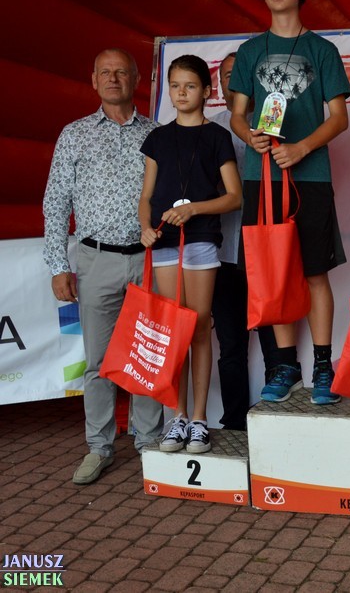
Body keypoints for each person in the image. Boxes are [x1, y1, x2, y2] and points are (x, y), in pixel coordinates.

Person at [229, 0, 350, 404]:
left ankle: (323, 365)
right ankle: (285, 366)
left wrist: (301, 148)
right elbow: (237, 115)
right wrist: (250, 136)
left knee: (314, 272)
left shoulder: (323, 50)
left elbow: (339, 118)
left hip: (310, 177)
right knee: (275, 273)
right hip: (261, 178)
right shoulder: (249, 51)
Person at [42, 49, 165, 484]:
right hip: (95, 260)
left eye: (121, 72)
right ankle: (99, 446)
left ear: (136, 80)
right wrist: (58, 264)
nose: (114, 79)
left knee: (148, 355)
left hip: (149, 259)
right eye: (105, 73)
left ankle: (149, 441)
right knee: (98, 362)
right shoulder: (74, 134)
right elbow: (56, 202)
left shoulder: (157, 134)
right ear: (94, 80)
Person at [139, 55, 240, 453]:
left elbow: (234, 197)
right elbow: (146, 197)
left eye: (190, 86)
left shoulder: (217, 136)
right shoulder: (157, 138)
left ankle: (199, 419)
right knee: (173, 332)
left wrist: (193, 209)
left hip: (200, 240)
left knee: (198, 328)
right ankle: (176, 417)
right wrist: (145, 228)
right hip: (164, 243)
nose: (181, 93)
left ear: (207, 91)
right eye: (175, 86)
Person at [209, 52, 278, 430]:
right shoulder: (210, 129)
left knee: (274, 343)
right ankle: (234, 421)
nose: (233, 82)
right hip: (221, 253)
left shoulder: (275, 122)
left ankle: (273, 421)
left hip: (266, 251)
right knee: (231, 346)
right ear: (219, 86)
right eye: (226, 76)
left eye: (240, 74)